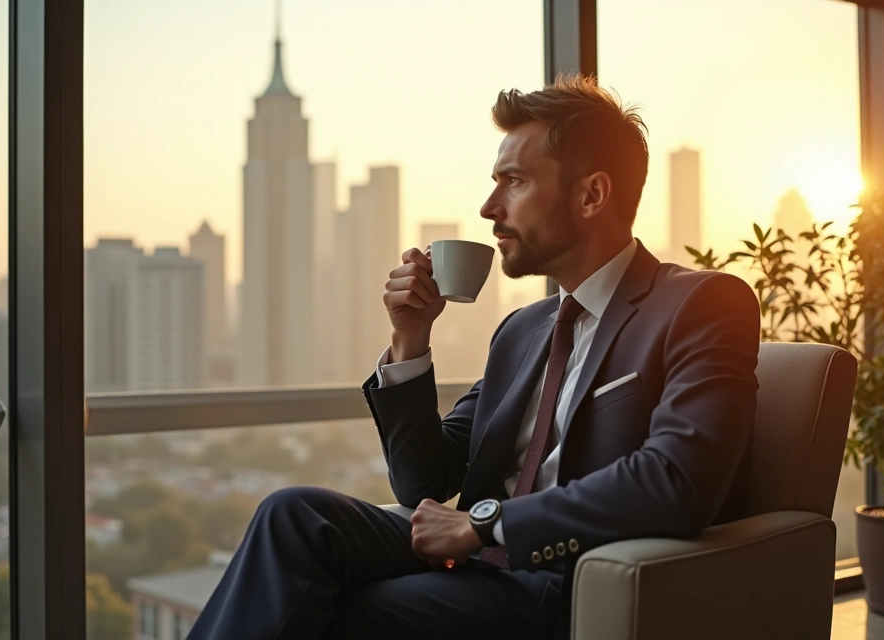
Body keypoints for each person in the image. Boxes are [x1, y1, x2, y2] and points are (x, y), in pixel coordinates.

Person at [189, 74, 760, 640]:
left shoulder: (701, 303)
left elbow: (679, 479)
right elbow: (425, 481)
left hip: (561, 578)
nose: (489, 208)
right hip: (475, 563)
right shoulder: (524, 329)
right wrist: (410, 339)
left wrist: (488, 524)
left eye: (514, 181)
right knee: (293, 515)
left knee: (348, 611)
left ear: (592, 194)